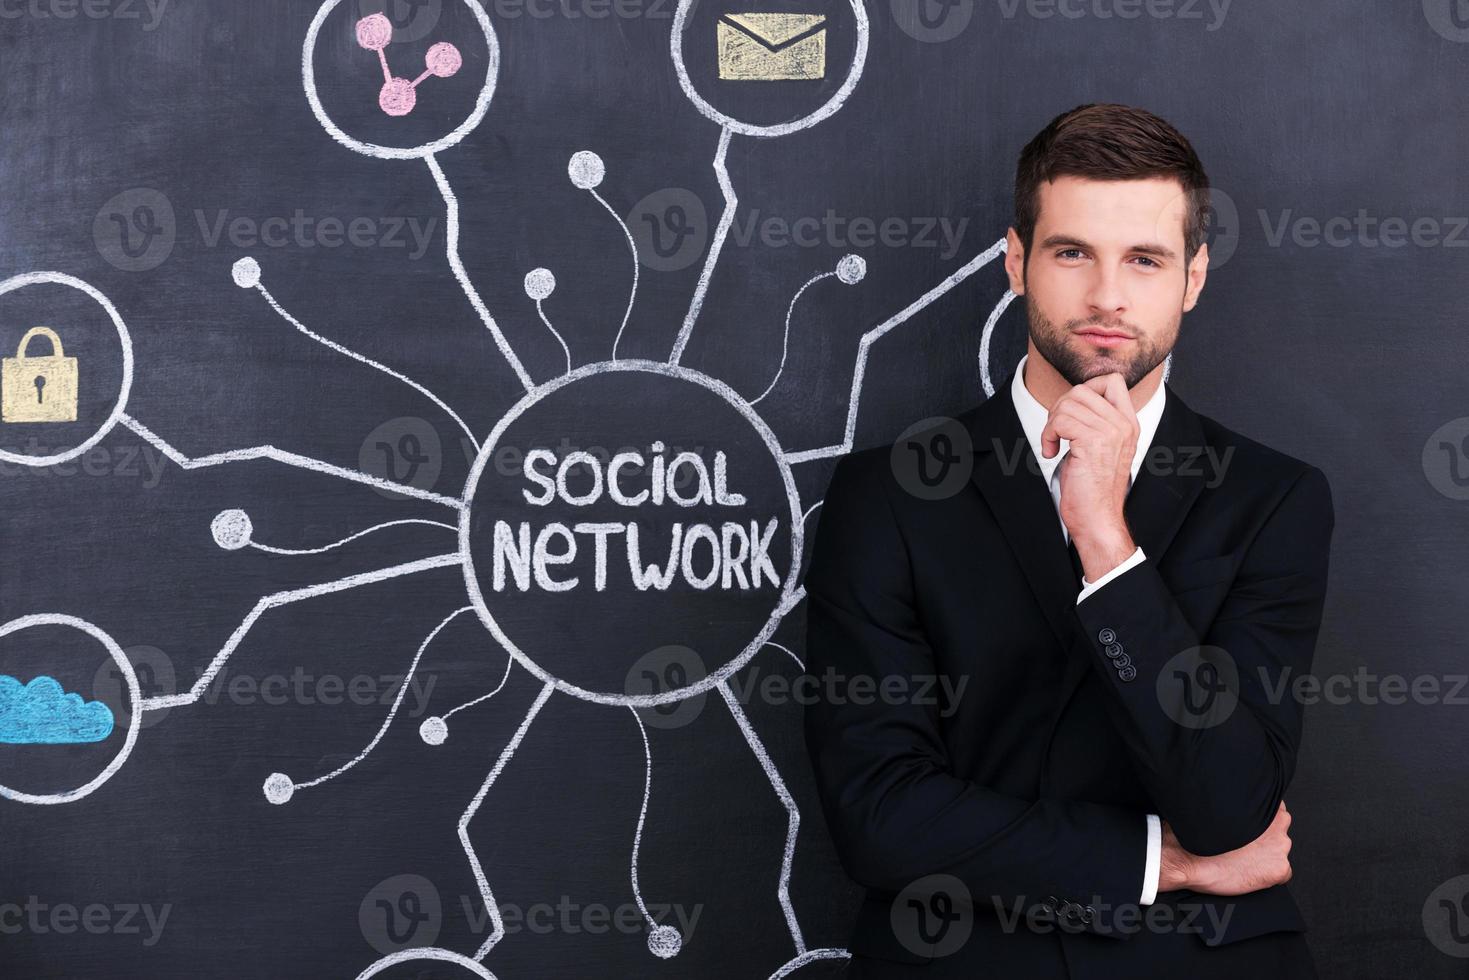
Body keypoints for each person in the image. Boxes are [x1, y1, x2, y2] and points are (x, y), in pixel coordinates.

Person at [803, 103, 1333, 978]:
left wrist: (1104, 539)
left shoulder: (1273, 500)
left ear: (1193, 277)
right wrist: (1162, 864)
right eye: (1071, 252)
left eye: (1145, 259)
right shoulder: (885, 495)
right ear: (1015, 262)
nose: (1107, 298)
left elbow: (1231, 804)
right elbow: (880, 815)